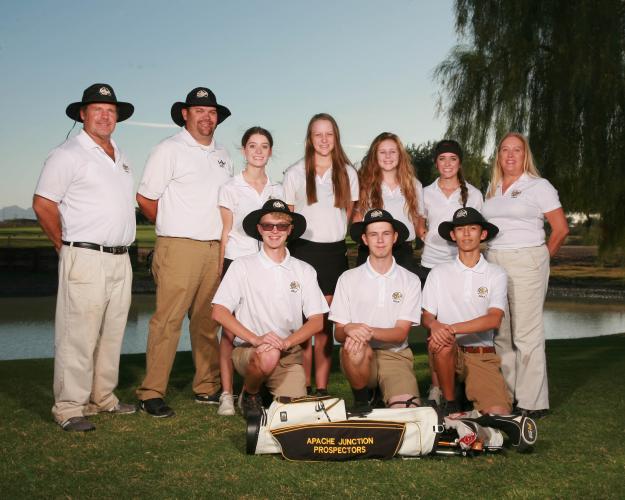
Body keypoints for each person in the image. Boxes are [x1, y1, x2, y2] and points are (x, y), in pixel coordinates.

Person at [33, 83, 137, 431]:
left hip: (121, 257)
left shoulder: (120, 155)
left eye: (111, 111)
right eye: (97, 109)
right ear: (83, 114)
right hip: (85, 255)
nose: (106, 116)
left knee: (111, 333)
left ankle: (102, 398)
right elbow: (44, 204)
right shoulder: (67, 154)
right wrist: (64, 246)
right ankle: (68, 407)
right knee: (78, 335)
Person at [135, 87, 233, 418]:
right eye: (199, 111)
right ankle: (151, 393)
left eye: (212, 112)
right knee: (168, 321)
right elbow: (146, 198)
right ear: (185, 114)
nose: (207, 117)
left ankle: (206, 387)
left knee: (207, 323)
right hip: (178, 246)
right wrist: (172, 227)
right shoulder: (168, 149)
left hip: (214, 248)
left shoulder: (223, 154)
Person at [422, 207, 537, 452]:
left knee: (499, 412)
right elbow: (427, 316)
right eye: (460, 229)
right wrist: (436, 327)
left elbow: (493, 319)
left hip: (481, 354)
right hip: (448, 353)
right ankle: (451, 404)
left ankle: (468, 417)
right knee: (442, 343)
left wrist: (450, 328)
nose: (466, 235)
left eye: (472, 229)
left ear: (482, 234)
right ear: (453, 235)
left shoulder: (496, 274)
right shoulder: (438, 273)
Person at [212, 199, 329, 417]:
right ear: (259, 229)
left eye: (281, 226)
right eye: (268, 225)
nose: (274, 231)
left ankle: (267, 389)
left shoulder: (304, 270)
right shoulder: (241, 266)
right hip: (250, 350)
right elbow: (219, 311)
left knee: (296, 415)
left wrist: (286, 342)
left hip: (288, 353)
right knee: (267, 354)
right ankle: (251, 393)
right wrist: (256, 340)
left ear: (290, 230)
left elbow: (317, 321)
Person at [482, 132, 569, 419]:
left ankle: (533, 402)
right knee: (501, 334)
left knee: (526, 334)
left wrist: (542, 257)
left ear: (525, 155)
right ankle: (507, 396)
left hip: (527, 259)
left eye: (516, 150)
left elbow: (560, 229)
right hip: (494, 261)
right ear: (498, 155)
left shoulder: (539, 186)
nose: (510, 155)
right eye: (504, 150)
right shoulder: (492, 188)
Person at [283, 113, 359, 396]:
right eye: (318, 134)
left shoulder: (348, 173)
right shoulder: (294, 172)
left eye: (329, 134)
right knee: (305, 324)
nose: (324, 140)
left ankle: (322, 387)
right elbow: (288, 217)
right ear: (309, 138)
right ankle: (301, 385)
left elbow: (348, 214)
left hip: (334, 253)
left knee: (325, 325)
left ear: (336, 137)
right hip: (303, 252)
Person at [216, 127, 284, 416]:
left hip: (268, 264)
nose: (258, 151)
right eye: (252, 146)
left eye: (264, 146)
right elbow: (225, 231)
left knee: (263, 321)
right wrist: (220, 272)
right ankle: (226, 394)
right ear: (243, 151)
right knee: (230, 331)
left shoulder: (277, 189)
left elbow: (282, 229)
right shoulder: (230, 187)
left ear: (270, 151)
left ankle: (251, 391)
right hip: (237, 261)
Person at [330, 209, 422, 412]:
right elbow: (338, 332)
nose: (380, 240)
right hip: (360, 354)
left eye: (386, 233)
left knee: (408, 414)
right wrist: (349, 329)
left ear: (395, 237)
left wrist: (364, 329)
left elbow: (400, 334)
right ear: (364, 239)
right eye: (373, 234)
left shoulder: (410, 280)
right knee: (355, 346)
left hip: (395, 355)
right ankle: (364, 400)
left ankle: (386, 394)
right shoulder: (348, 278)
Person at [419, 140, 484, 405]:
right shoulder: (425, 192)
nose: (447, 164)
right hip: (432, 264)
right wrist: (425, 235)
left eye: (452, 159)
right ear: (436, 162)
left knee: (463, 323)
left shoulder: (474, 194)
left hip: (461, 266)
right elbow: (419, 220)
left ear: (460, 163)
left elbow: (477, 230)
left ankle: (467, 379)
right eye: (442, 159)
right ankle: (437, 388)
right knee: (433, 328)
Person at [355, 132, 425, 273]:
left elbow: (419, 219)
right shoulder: (363, 184)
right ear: (375, 156)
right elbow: (357, 217)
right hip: (372, 250)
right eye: (382, 152)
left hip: (403, 253)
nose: (388, 156)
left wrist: (425, 235)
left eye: (392, 151)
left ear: (400, 155)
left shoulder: (414, 185)